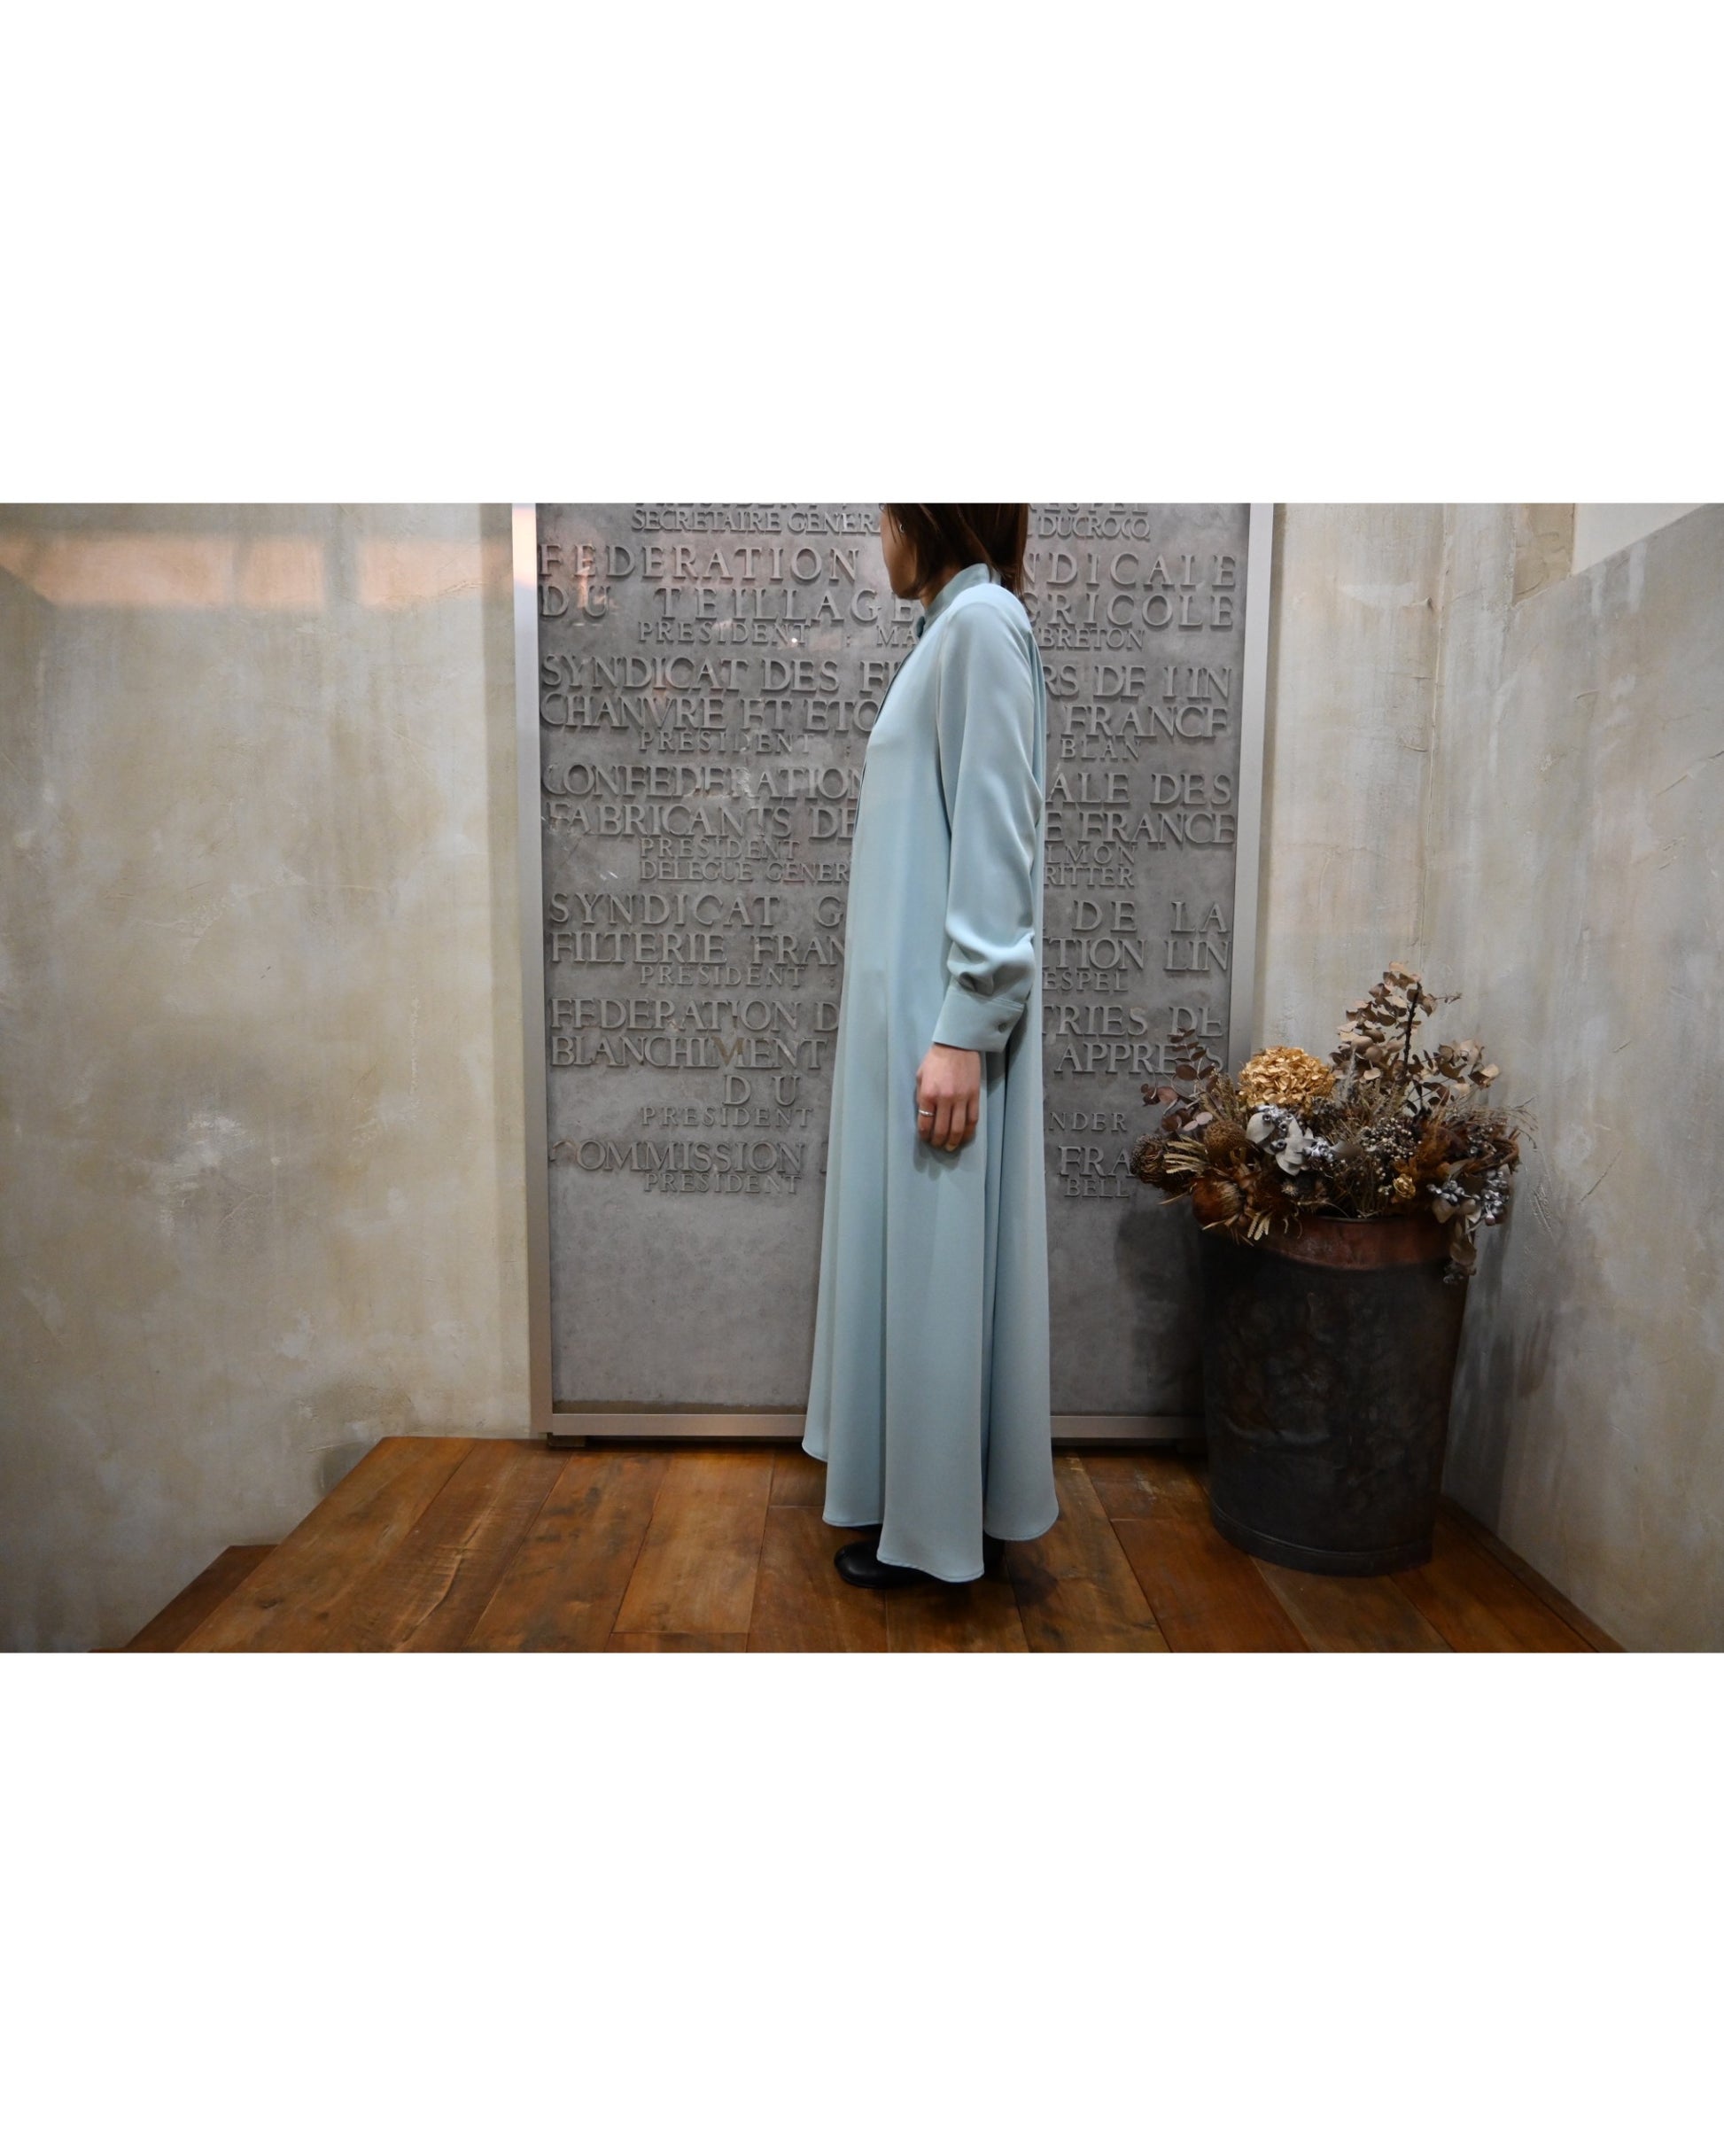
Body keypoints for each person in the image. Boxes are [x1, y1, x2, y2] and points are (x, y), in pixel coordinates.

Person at [802, 504, 1059, 1588]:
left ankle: (937, 1532)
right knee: (921, 1265)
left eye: (887, 513)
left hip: (938, 1025)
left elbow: (998, 835)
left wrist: (966, 1025)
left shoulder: (980, 628)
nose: (880, 536)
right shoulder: (952, 630)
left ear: (930, 512)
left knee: (939, 1263)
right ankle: (925, 1508)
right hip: (913, 1015)